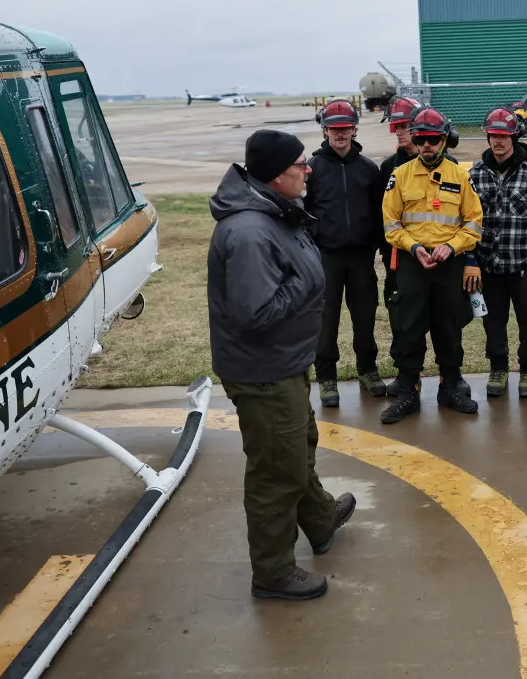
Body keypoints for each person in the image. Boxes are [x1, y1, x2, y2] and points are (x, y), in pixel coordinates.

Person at [206, 129, 356, 601]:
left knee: (297, 446)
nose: (308, 170)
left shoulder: (274, 212)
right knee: (276, 471)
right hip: (263, 371)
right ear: (274, 175)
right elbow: (255, 313)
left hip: (282, 363)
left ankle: (319, 517)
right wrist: (307, 283)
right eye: (299, 166)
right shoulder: (249, 232)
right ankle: (272, 571)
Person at [380, 107, 484, 424]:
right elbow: (390, 223)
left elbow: (474, 223)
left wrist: (452, 247)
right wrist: (413, 247)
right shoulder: (400, 175)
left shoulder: (460, 176)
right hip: (413, 261)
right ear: (414, 139)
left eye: (433, 139)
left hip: (448, 263)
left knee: (448, 324)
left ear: (443, 141)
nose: (427, 145)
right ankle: (409, 391)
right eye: (421, 139)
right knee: (409, 323)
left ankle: (449, 386)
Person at [469, 107, 527, 399]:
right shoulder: (476, 175)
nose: (498, 141)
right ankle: (498, 368)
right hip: (489, 266)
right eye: (493, 135)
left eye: (504, 136)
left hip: (523, 267)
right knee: (493, 321)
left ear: (514, 137)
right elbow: (467, 219)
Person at [304, 100, 386, 405]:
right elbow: (304, 212)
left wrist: (376, 243)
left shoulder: (368, 169)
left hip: (361, 257)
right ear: (325, 130)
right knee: (326, 320)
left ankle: (368, 370)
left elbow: (380, 211)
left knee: (365, 317)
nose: (340, 134)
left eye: (345, 128)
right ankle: (327, 377)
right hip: (327, 257)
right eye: (334, 129)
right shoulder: (312, 170)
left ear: (354, 129)